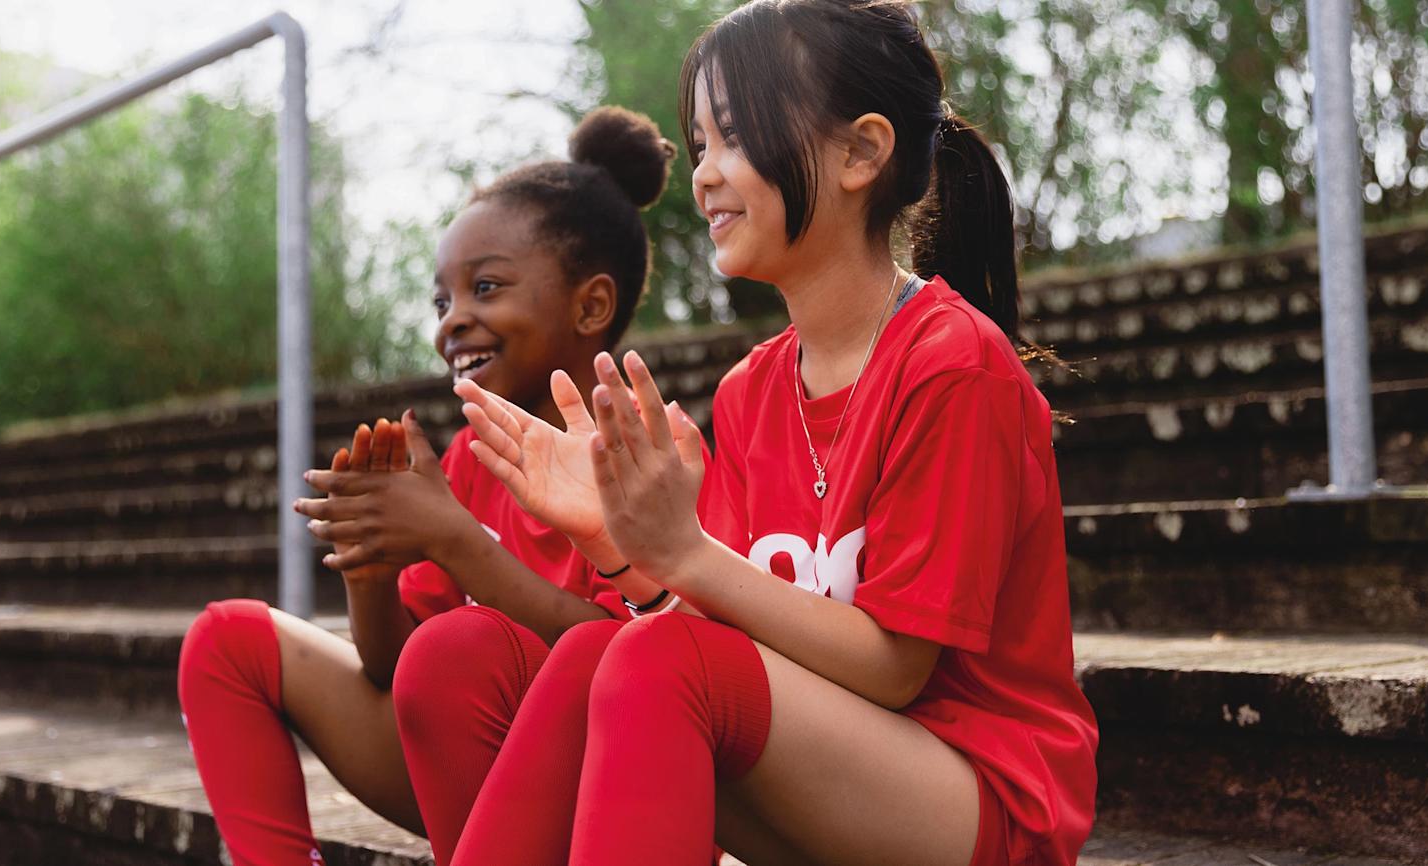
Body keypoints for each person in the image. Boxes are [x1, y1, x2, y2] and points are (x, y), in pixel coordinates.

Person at [430, 2, 1100, 864]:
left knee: (656, 659)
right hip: (832, 776)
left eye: (735, 138)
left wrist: (686, 553)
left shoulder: (953, 363)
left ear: (860, 152)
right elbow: (732, 634)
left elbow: (895, 669)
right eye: (701, 143)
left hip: (982, 800)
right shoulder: (751, 389)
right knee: (601, 651)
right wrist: (619, 549)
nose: (705, 173)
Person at [175, 105, 678, 866]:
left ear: (591, 305)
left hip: (604, 792)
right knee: (227, 640)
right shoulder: (473, 462)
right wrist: (372, 574)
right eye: (442, 302)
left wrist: (454, 540)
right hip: (468, 768)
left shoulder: (647, 456)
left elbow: (635, 669)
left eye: (485, 287)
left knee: (459, 648)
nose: (454, 322)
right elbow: (391, 671)